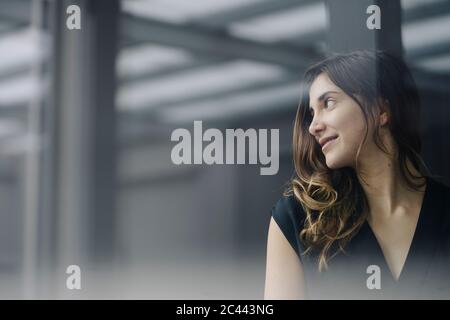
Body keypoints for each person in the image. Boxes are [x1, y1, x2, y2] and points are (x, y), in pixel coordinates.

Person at [264, 50, 450, 300]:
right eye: (312, 113)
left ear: (380, 109)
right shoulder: (297, 219)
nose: (313, 126)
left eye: (327, 103)